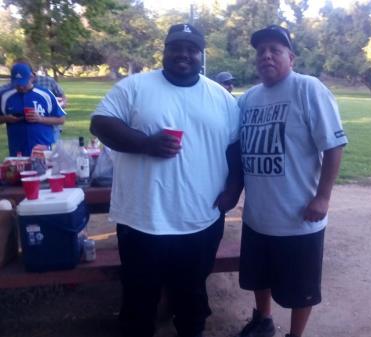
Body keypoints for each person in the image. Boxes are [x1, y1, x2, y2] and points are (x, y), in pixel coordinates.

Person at [90, 23, 242, 337]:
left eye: (191, 48)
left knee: (192, 297)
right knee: (138, 299)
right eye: (176, 47)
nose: (183, 54)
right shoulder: (134, 87)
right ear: (165, 51)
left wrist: (233, 190)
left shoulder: (222, 98)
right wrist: (145, 143)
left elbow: (235, 149)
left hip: (200, 218)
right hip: (142, 218)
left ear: (201, 55)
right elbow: (101, 124)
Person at [236, 25, 348, 337]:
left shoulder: (307, 88)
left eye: (275, 50)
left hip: (299, 217)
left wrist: (323, 197)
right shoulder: (249, 99)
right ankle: (263, 321)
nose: (267, 55)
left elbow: (334, 145)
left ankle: (295, 335)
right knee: (259, 278)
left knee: (301, 289)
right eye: (261, 51)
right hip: (258, 216)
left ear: (291, 57)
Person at [0, 63, 66, 156]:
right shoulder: (5, 96)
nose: (21, 87)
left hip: (43, 149)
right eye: (17, 84)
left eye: (23, 83)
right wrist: (6, 118)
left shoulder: (45, 94)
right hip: (17, 151)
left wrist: (40, 119)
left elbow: (61, 119)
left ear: (31, 77)